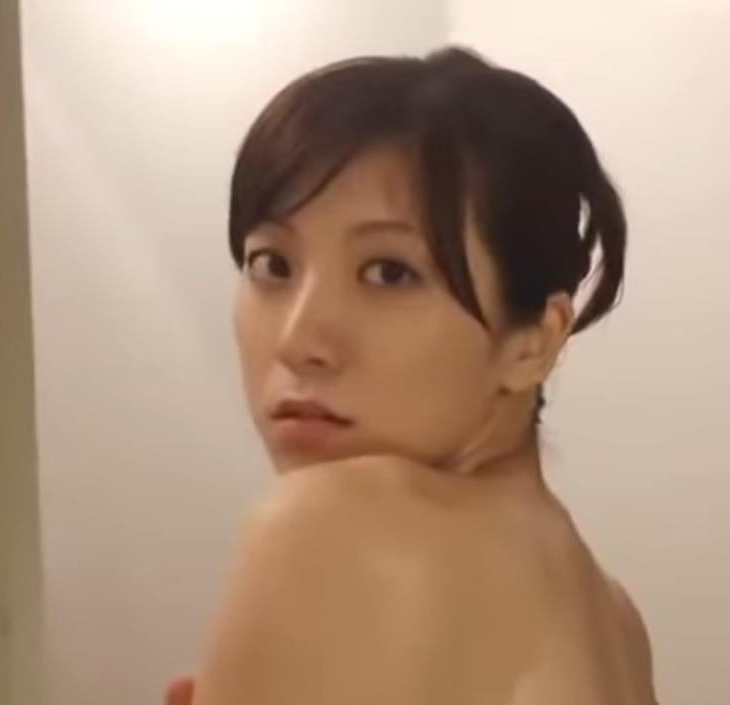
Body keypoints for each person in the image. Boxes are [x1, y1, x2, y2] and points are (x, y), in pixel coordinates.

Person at [166, 46, 656, 705]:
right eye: (272, 265)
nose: (299, 340)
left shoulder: (324, 532)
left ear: (535, 342)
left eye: (389, 273)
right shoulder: (613, 622)